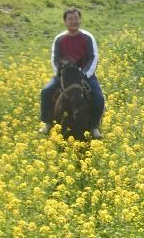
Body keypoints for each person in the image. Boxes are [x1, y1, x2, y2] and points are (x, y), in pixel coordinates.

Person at [39, 8, 105, 139]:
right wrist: (61, 74)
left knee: (98, 97)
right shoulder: (59, 39)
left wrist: (84, 74)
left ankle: (94, 125)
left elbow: (94, 58)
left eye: (76, 18)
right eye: (70, 19)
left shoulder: (87, 37)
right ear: (65, 21)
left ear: (80, 20)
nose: (74, 21)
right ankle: (47, 122)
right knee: (46, 91)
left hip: (84, 75)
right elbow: (54, 59)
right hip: (65, 75)